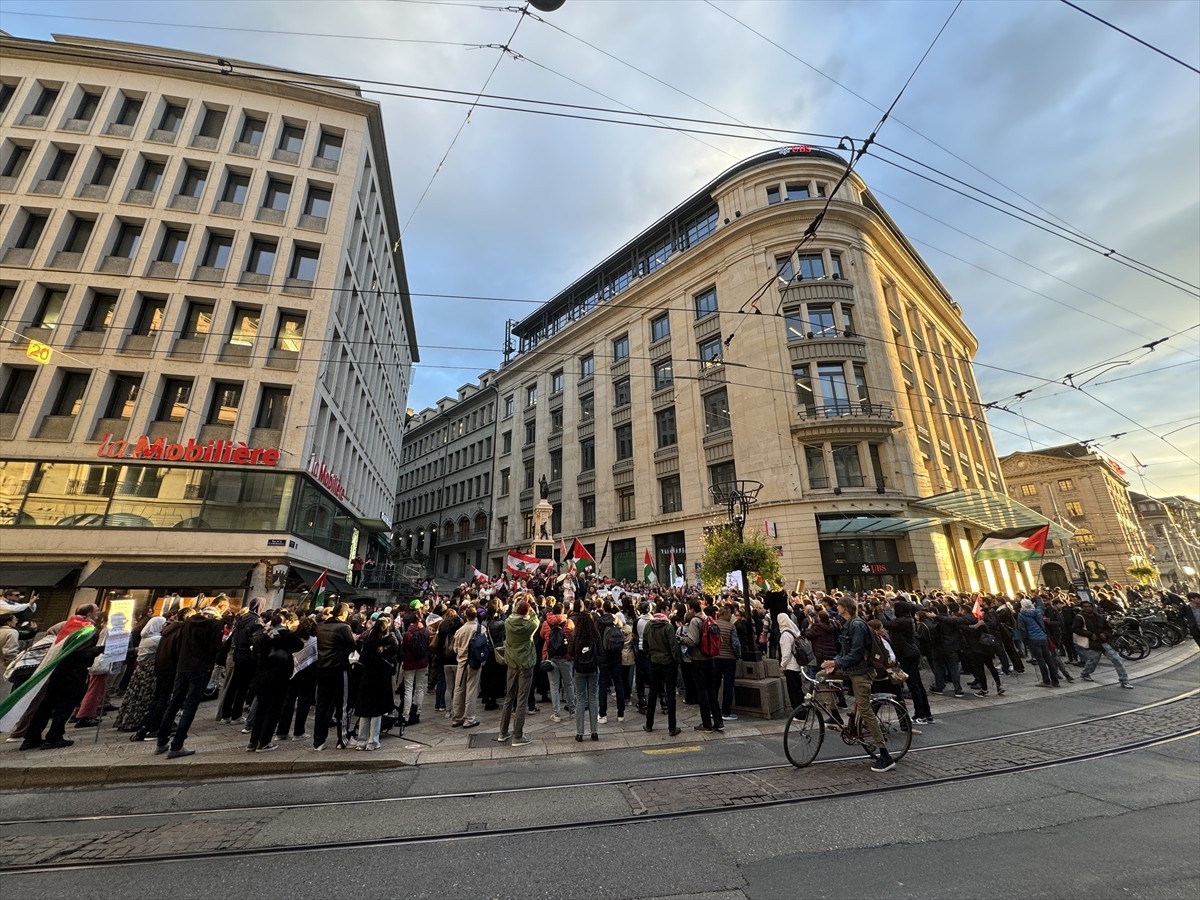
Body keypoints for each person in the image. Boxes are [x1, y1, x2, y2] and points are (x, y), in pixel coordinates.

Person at [821, 598, 896, 773]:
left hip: (861, 672)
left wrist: (836, 662)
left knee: (865, 710)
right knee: (820, 676)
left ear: (845, 608)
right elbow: (845, 652)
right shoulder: (848, 624)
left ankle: (885, 755)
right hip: (851, 669)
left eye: (838, 606)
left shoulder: (857, 626)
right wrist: (834, 664)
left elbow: (856, 653)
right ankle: (834, 714)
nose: (836, 608)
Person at [13, 605, 102, 751]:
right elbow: (81, 653)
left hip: (58, 669)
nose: (98, 613)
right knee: (65, 705)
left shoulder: (69, 624)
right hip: (74, 672)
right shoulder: (87, 628)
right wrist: (101, 649)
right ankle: (54, 736)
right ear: (90, 613)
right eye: (96, 611)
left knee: (47, 704)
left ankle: (31, 738)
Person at [155, 606, 225, 758]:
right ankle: (177, 745)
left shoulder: (187, 623)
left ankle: (161, 742)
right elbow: (215, 648)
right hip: (200, 668)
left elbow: (179, 644)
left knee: (174, 703)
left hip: (183, 666)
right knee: (190, 705)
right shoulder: (215, 625)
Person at [247, 611, 305, 752]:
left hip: (261, 676)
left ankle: (253, 742)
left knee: (261, 709)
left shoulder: (263, 635)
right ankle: (265, 741)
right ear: (286, 622)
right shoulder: (286, 635)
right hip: (278, 677)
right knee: (273, 710)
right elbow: (299, 645)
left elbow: (254, 655)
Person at [312, 603, 355, 750]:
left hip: (323, 668)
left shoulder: (321, 626)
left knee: (322, 705)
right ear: (343, 614)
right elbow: (352, 646)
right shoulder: (344, 627)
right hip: (339, 668)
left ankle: (318, 740)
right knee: (343, 705)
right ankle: (342, 739)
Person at [353, 615, 399, 750]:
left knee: (365, 711)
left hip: (367, 678)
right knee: (376, 712)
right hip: (380, 678)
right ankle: (373, 741)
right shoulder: (389, 643)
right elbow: (396, 654)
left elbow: (363, 659)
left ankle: (361, 741)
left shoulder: (368, 642)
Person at [497, 599, 538, 746]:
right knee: (521, 700)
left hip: (512, 663)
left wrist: (521, 602)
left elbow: (513, 612)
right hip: (525, 664)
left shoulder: (508, 622)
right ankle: (518, 735)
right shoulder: (530, 626)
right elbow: (535, 617)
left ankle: (502, 732)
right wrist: (532, 604)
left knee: (509, 697)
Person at [114, 616, 165, 732]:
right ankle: (139, 720)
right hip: (150, 671)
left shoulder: (146, 637)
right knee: (145, 697)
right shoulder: (157, 639)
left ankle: (128, 720)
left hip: (141, 670)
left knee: (135, 696)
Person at [1072, 601, 1133, 688]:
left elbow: (1108, 628)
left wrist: (1105, 634)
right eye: (1085, 607)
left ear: (1092, 607)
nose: (1087, 608)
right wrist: (1089, 634)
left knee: (1117, 659)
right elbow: (1076, 629)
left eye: (1089, 606)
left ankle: (1124, 680)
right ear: (1082, 608)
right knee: (1093, 661)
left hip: (1104, 642)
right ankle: (1085, 673)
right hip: (1093, 643)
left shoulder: (1100, 617)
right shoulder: (1079, 618)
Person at [682, 599, 722, 733]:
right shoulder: (708, 618)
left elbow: (693, 641)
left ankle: (706, 723)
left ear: (692, 609)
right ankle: (718, 721)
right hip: (711, 658)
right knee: (712, 690)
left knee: (702, 691)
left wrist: (681, 638)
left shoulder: (695, 621)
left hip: (698, 659)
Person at [642, 608, 682, 735]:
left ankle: (649, 724)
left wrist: (650, 656)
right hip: (668, 663)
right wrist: (676, 660)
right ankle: (672, 727)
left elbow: (645, 644)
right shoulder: (668, 627)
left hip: (654, 662)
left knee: (653, 692)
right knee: (670, 693)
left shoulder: (649, 626)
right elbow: (673, 646)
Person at [569, 605, 601, 742]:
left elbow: (570, 652)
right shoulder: (595, 634)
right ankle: (594, 731)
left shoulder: (575, 634)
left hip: (579, 669)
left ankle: (579, 732)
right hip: (593, 668)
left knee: (580, 699)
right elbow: (600, 651)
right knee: (593, 698)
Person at [539, 602, 575, 722]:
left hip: (552, 657)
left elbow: (542, 635)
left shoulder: (545, 623)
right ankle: (572, 710)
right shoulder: (569, 622)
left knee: (554, 686)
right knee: (569, 684)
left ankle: (557, 714)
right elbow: (572, 636)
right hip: (566, 657)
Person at [450, 606, 482, 728]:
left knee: (459, 689)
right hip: (474, 662)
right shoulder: (480, 629)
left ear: (465, 616)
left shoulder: (460, 630)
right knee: (471, 689)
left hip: (461, 662)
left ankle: (457, 717)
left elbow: (455, 648)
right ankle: (469, 718)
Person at [1015, 598, 1059, 688]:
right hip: (1043, 637)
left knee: (1040, 660)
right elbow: (1040, 606)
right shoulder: (1037, 612)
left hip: (1033, 639)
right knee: (1049, 660)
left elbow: (1022, 629)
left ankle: (1046, 681)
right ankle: (1055, 681)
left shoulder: (1021, 615)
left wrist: (1025, 640)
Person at [400, 611, 430, 725]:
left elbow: (403, 648)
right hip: (422, 662)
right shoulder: (426, 631)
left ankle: (405, 715)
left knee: (408, 689)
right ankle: (418, 712)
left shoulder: (408, 634)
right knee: (420, 688)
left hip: (410, 663)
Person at [777, 612, 807, 712]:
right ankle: (802, 709)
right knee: (798, 689)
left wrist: (782, 665)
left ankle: (798, 713)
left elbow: (786, 654)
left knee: (793, 690)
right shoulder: (793, 630)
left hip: (790, 666)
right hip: (797, 664)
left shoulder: (785, 634)